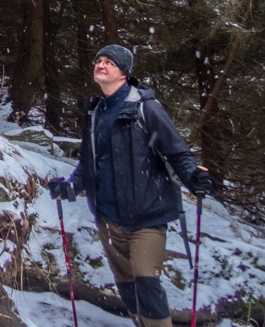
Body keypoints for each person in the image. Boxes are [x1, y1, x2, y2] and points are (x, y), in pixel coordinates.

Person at [49, 44, 216, 327]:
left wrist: (194, 178)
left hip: (147, 216)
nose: (101, 65)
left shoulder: (145, 108)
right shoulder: (95, 113)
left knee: (146, 282)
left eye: (109, 62)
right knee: (127, 288)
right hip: (108, 218)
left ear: (123, 73)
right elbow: (89, 163)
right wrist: (70, 188)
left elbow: (177, 152)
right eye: (99, 60)